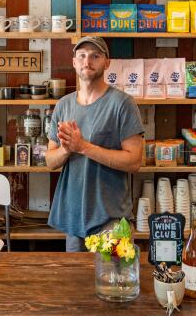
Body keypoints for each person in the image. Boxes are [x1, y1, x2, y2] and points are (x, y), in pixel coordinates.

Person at [45, 36, 144, 252]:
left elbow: (135, 161)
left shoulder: (122, 103)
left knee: (115, 283)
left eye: (95, 56)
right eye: (82, 55)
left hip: (110, 219)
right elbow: (50, 161)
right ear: (74, 62)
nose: (87, 61)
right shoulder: (63, 105)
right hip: (73, 219)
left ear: (106, 63)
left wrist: (83, 147)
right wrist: (66, 149)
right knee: (76, 284)